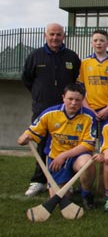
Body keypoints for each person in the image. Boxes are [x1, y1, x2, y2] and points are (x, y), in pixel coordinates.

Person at [21, 23, 81, 197]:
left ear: (64, 36)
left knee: (65, 143)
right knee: (42, 144)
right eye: (52, 34)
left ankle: (64, 181)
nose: (55, 38)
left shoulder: (71, 57)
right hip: (43, 108)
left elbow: (75, 79)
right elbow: (27, 79)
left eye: (59, 34)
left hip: (67, 110)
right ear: (45, 35)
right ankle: (38, 180)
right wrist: (40, 95)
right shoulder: (35, 56)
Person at [17, 83, 96, 209]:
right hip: (55, 158)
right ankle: (67, 187)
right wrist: (24, 138)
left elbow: (87, 145)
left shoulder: (89, 117)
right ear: (63, 97)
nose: (73, 103)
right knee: (59, 198)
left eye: (77, 100)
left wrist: (64, 156)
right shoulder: (50, 113)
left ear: (82, 100)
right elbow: (30, 133)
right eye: (70, 99)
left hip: (77, 156)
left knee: (87, 163)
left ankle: (86, 193)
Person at [77, 29, 108, 123]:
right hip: (88, 107)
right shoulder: (85, 62)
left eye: (102, 40)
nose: (98, 43)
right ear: (91, 43)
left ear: (107, 43)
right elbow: (81, 88)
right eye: (95, 40)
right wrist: (87, 108)